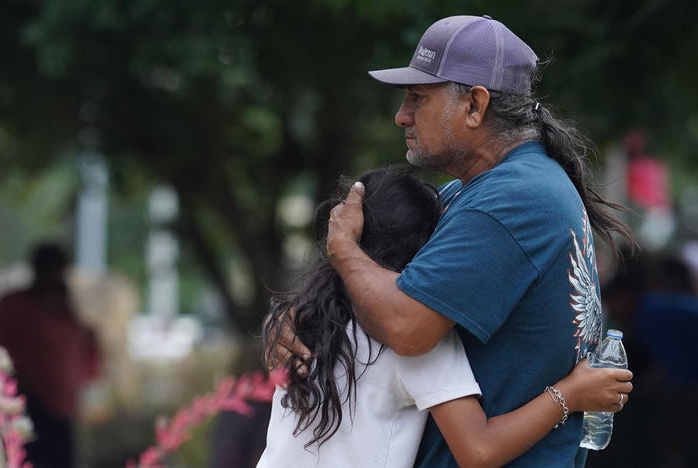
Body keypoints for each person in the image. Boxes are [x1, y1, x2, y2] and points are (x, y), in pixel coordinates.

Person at [269, 15, 635, 467]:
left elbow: (407, 328)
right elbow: (386, 274)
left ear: (475, 106)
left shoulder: (510, 201)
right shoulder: (482, 190)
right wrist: (299, 315)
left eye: (418, 98)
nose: (401, 115)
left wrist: (343, 250)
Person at [259, 167, 632, 468]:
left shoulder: (304, 318)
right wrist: (570, 393)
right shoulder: (415, 336)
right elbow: (479, 451)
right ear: (431, 253)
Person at [0, 243, 101, 468]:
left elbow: (87, 351)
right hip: (26, 402)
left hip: (62, 407)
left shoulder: (66, 311)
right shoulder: (15, 306)